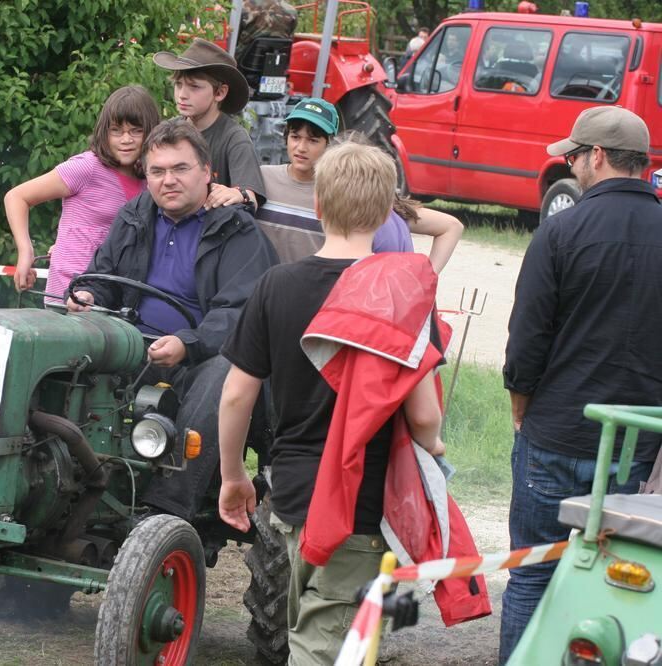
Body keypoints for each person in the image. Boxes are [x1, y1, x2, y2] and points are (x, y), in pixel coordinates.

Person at [218, 142, 453, 662]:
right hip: (360, 508)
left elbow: (236, 394)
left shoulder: (275, 285)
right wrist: (435, 446)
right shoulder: (402, 295)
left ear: (318, 206)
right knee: (327, 649)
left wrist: (233, 474)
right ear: (388, 212)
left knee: (307, 629)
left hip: (292, 497)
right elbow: (422, 418)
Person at [500, 106, 662, 663]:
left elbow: (527, 340)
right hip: (637, 445)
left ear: (595, 157)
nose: (572, 166)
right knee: (623, 579)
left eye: (574, 157)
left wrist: (522, 408)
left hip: (556, 432)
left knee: (530, 574)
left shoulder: (561, 229)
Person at [68, 118, 277, 520]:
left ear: (207, 173)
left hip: (197, 360)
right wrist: (90, 295)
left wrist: (188, 343)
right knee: (66, 357)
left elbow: (242, 313)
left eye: (180, 169)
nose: (169, 180)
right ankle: (62, 475)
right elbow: (103, 275)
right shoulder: (133, 216)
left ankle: (168, 507)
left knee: (227, 370)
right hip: (130, 347)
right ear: (146, 175)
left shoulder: (238, 232)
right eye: (158, 171)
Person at [257, 98, 463, 270]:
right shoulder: (260, 179)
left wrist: (428, 277)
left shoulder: (346, 194)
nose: (301, 147)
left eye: (313, 140)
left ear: (330, 145)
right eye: (295, 137)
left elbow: (451, 226)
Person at [4, 85, 160, 303]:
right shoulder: (87, 167)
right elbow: (17, 197)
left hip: (114, 298)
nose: (126, 139)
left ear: (151, 132)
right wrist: (25, 250)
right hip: (69, 294)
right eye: (116, 130)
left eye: (136, 130)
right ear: (104, 131)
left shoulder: (154, 179)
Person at [153, 38, 266, 211]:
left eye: (194, 87)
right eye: (179, 84)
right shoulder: (167, 131)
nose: (182, 95)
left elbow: (250, 197)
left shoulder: (234, 138)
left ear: (220, 92)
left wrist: (238, 194)